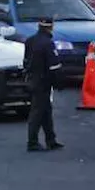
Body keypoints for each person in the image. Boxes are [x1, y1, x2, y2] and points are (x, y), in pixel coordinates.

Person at [22, 16, 64, 152]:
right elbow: (54, 66)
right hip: (43, 82)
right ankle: (32, 142)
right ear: (51, 27)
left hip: (32, 79)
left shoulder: (30, 41)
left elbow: (26, 61)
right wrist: (58, 83)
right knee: (38, 112)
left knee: (45, 111)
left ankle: (51, 140)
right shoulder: (48, 43)